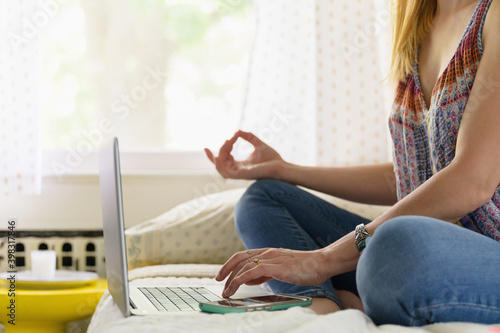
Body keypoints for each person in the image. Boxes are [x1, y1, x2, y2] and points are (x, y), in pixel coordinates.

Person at [204, 0, 500, 326]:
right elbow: (410, 176)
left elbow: (473, 181)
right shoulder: (419, 25)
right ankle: (325, 307)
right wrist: (286, 171)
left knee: (391, 242)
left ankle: (351, 293)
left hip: (479, 256)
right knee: (266, 196)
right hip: (415, 255)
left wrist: (325, 259)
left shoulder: (494, 16)